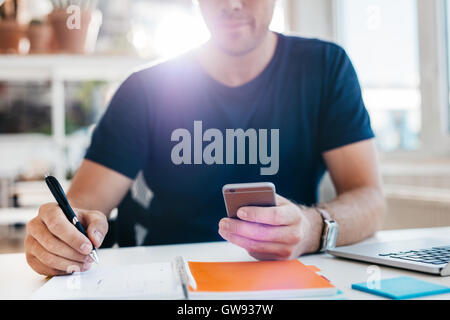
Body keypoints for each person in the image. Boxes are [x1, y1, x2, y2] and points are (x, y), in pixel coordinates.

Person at [25, 0, 386, 276]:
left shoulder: (324, 68)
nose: (231, 4)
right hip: (170, 277)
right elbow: (85, 205)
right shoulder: (145, 90)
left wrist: (313, 228)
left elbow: (369, 198)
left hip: (286, 277)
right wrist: (59, 236)